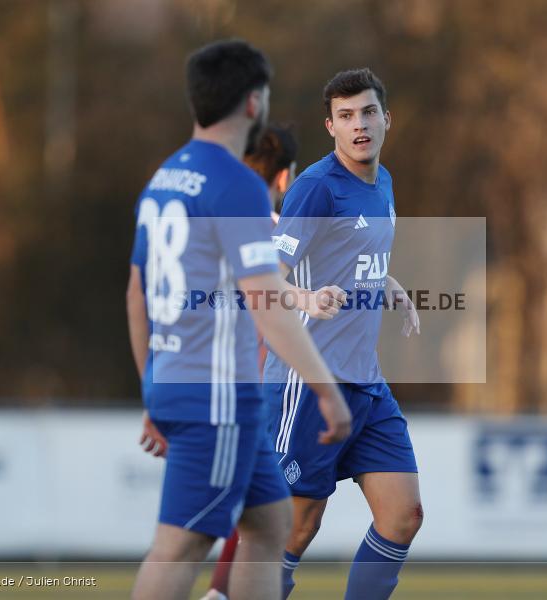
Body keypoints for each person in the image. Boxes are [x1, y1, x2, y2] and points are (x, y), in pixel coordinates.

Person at [126, 40, 350, 600]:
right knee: (180, 546)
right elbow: (267, 301)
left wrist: (152, 386)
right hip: (218, 398)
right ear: (253, 104)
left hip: (195, 388)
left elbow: (136, 294)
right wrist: (326, 390)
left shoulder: (165, 179)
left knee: (270, 525)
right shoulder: (239, 186)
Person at [262, 68, 423, 600]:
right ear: (330, 126)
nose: (360, 125)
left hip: (365, 383)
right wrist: (307, 300)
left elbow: (356, 258)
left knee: (403, 515)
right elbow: (265, 280)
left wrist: (389, 284)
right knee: (297, 528)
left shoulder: (384, 182)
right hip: (309, 383)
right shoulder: (315, 188)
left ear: (386, 119)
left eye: (368, 113)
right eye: (347, 116)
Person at [193, 124, 299, 600]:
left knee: (243, 515)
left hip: (198, 384)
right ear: (284, 179)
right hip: (258, 389)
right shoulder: (281, 234)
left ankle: (219, 593)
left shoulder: (208, 224)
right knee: (270, 515)